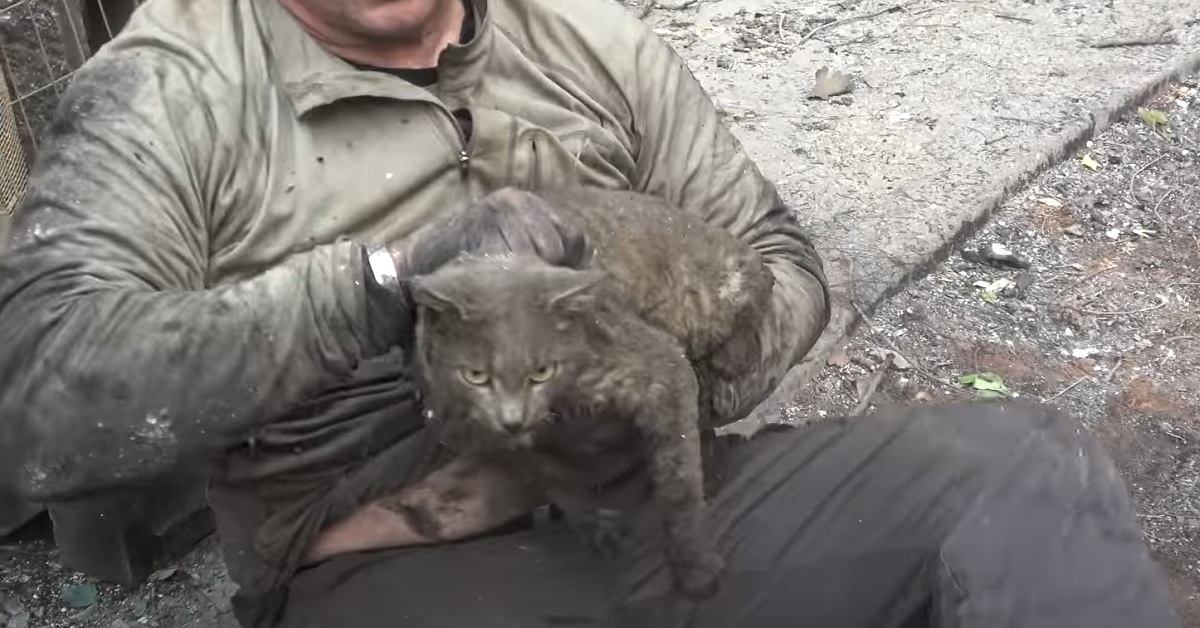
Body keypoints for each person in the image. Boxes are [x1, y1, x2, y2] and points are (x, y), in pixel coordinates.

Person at [0, 0, 1180, 627]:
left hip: (655, 494)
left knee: (1020, 470)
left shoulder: (585, 34)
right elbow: (38, 405)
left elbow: (779, 260)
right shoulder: (167, 85)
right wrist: (382, 285)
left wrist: (644, 386)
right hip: (387, 560)